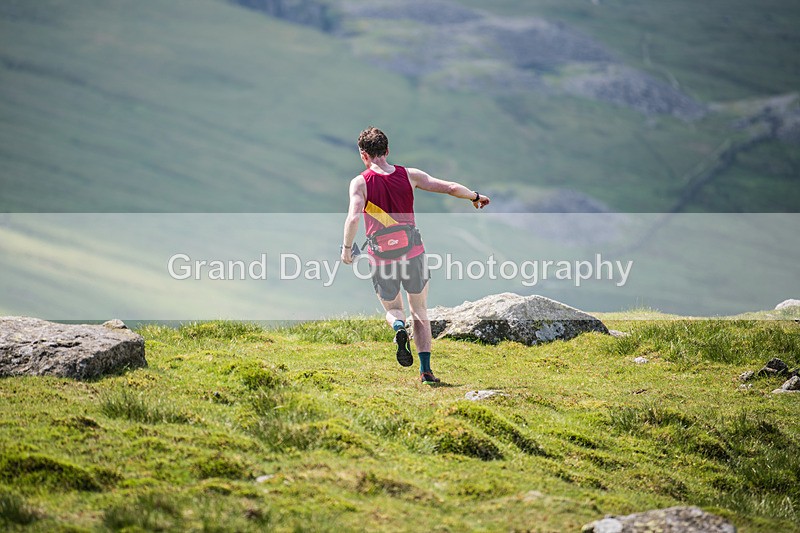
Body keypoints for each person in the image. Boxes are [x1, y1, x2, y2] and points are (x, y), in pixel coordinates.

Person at [341, 127, 490, 384]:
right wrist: (475, 196)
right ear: (387, 151)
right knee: (419, 310)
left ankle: (399, 327)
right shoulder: (410, 175)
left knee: (393, 309)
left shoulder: (360, 182)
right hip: (413, 252)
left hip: (381, 257)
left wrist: (346, 249)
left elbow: (353, 217)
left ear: (363, 155)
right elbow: (450, 187)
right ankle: (426, 371)